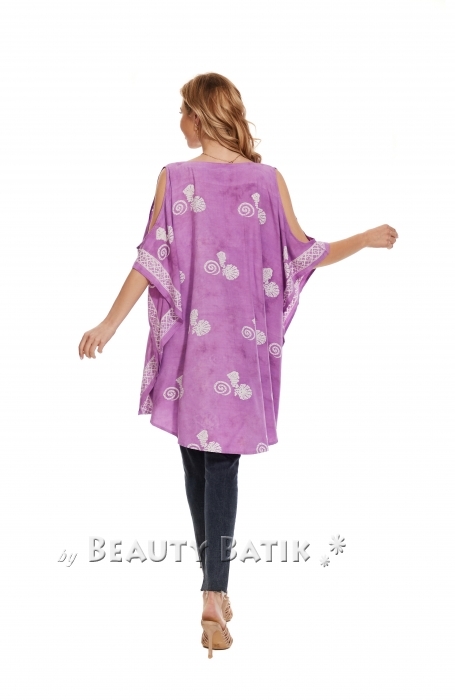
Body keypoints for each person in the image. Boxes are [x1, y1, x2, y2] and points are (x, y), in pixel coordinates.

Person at [78, 72, 398, 658]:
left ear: (201, 115)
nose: (179, 121)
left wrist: (108, 324)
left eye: (183, 111)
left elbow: (150, 262)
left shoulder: (175, 178)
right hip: (240, 352)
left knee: (200, 465)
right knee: (217, 466)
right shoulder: (265, 180)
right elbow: (305, 254)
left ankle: (212, 591)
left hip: (190, 350)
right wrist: (365, 238)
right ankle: (213, 593)